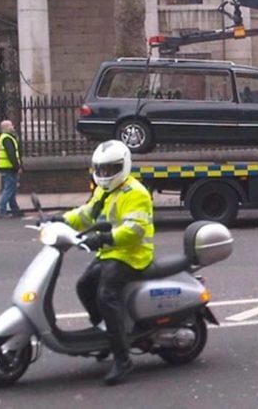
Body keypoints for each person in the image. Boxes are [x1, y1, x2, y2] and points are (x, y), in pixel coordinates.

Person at [59, 140, 154, 386]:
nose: (104, 174)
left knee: (106, 295)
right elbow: (87, 213)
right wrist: (60, 220)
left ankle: (123, 359)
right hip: (111, 252)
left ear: (123, 166)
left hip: (132, 254)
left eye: (110, 169)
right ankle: (105, 336)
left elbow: (134, 230)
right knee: (83, 286)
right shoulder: (104, 190)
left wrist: (102, 238)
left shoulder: (136, 193)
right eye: (100, 169)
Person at [0, 120, 23, 218]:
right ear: (6, 127)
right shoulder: (7, 139)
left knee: (11, 190)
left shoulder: (8, 137)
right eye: (11, 125)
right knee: (9, 190)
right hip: (9, 167)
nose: (13, 126)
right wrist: (17, 167)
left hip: (6, 167)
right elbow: (11, 154)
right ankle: (1, 210)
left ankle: (15, 210)